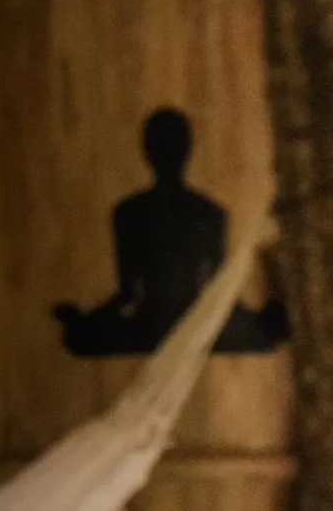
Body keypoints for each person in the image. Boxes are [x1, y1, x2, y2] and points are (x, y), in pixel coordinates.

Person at [55, 107, 288, 356]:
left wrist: (85, 323)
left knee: (82, 337)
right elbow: (212, 293)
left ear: (148, 152)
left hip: (160, 326)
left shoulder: (133, 212)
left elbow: (127, 296)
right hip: (168, 324)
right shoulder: (204, 212)